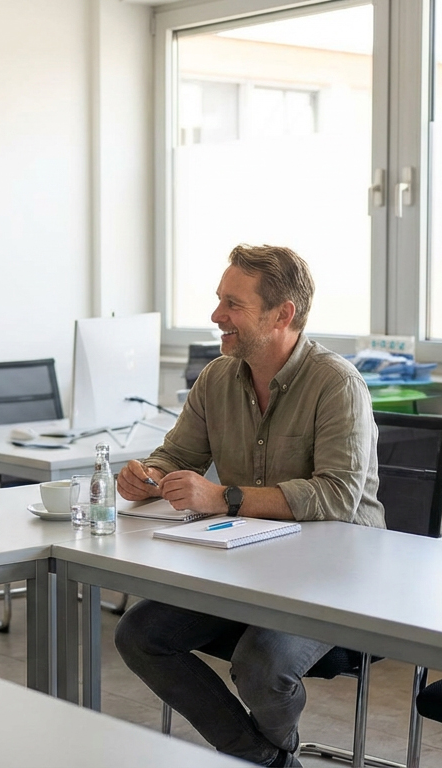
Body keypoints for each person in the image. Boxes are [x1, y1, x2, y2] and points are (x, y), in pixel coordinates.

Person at [114, 244, 385, 767]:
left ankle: (263, 758)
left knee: (261, 666)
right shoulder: (218, 377)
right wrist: (148, 475)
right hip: (249, 564)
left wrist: (222, 497)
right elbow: (176, 455)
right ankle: (272, 759)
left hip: (335, 574)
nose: (217, 316)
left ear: (282, 314)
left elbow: (336, 496)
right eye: (219, 301)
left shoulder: (337, 384)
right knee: (140, 635)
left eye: (232, 304)